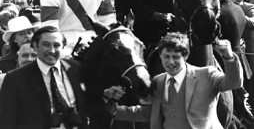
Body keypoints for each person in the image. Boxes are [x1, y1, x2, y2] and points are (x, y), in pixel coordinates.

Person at [104, 32, 243, 129]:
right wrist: (112, 105)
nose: (170, 62)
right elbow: (146, 113)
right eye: (166, 57)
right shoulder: (157, 81)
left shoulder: (207, 74)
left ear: (185, 56)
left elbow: (234, 82)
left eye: (175, 57)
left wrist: (229, 57)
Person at [0, 26, 89, 129]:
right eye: (46, 45)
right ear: (35, 46)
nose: (52, 50)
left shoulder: (74, 68)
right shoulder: (15, 79)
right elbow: (6, 121)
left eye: (56, 45)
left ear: (63, 47)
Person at [0, 41, 37, 109]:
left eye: (34, 55)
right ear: (18, 58)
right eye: (25, 55)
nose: (29, 59)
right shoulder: (4, 80)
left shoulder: (53, 80)